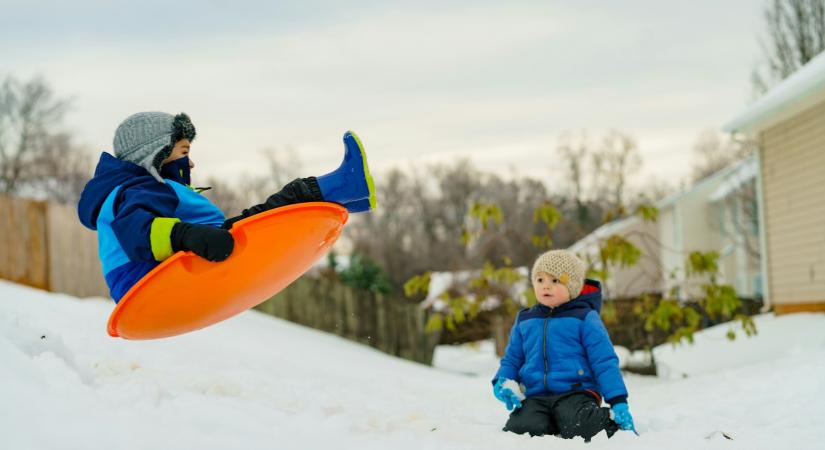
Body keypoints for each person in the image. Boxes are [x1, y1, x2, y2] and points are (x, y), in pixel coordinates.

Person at [78, 111, 375, 302]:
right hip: (148, 283)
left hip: (152, 280)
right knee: (266, 216)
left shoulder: (133, 189)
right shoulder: (139, 189)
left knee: (255, 220)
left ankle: (347, 195)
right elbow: (136, 231)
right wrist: (186, 235)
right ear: (155, 154)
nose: (190, 162)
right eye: (183, 151)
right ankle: (343, 185)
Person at [491, 250, 636, 441]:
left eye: (555, 281)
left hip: (576, 393)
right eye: (540, 280)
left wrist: (618, 401)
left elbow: (604, 361)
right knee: (520, 428)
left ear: (572, 286)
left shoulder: (585, 318)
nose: (546, 286)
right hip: (536, 395)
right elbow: (513, 358)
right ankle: (551, 421)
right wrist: (502, 381)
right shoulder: (525, 319)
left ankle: (609, 421)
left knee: (580, 425)